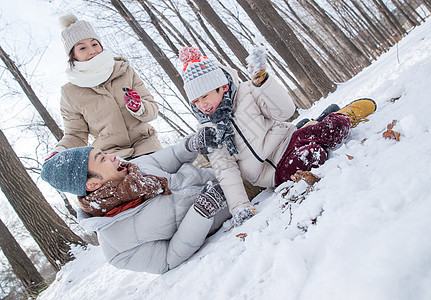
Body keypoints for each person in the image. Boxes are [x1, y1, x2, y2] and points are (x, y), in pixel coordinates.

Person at [178, 46, 377, 226]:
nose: (202, 105)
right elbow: (226, 171)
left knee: (334, 129)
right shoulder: (211, 132)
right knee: (310, 156)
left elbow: (285, 111)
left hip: (288, 138)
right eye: (195, 101)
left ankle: (343, 115)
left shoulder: (248, 92)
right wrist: (240, 207)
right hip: (272, 173)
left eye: (205, 96)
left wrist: (263, 84)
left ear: (223, 86)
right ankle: (317, 124)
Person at [40, 138, 230, 274]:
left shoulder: (135, 167)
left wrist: (192, 144)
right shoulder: (117, 248)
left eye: (104, 153)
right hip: (228, 214)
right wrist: (203, 212)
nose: (113, 156)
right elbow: (167, 259)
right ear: (92, 184)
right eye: (102, 159)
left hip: (228, 177)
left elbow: (174, 155)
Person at [46, 14, 161, 161]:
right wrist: (60, 150)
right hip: (112, 158)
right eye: (82, 48)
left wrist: (140, 108)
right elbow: (76, 134)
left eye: (94, 44)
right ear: (72, 56)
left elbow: (153, 111)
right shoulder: (70, 93)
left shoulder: (124, 70)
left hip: (148, 146)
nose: (92, 50)